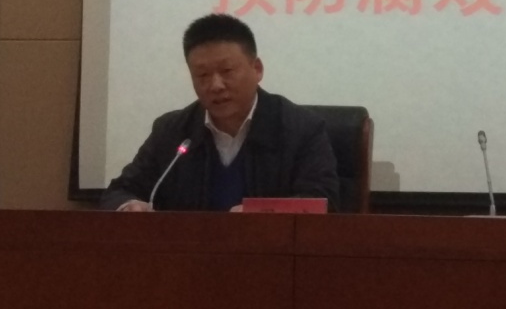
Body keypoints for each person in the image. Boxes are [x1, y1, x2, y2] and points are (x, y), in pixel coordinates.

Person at [101, 13, 340, 212]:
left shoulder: (302, 129)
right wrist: (129, 206)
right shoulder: (172, 131)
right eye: (202, 75)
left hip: (270, 252)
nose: (215, 85)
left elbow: (323, 203)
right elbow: (120, 191)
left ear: (257, 69)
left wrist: (260, 215)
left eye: (227, 71)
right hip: (189, 252)